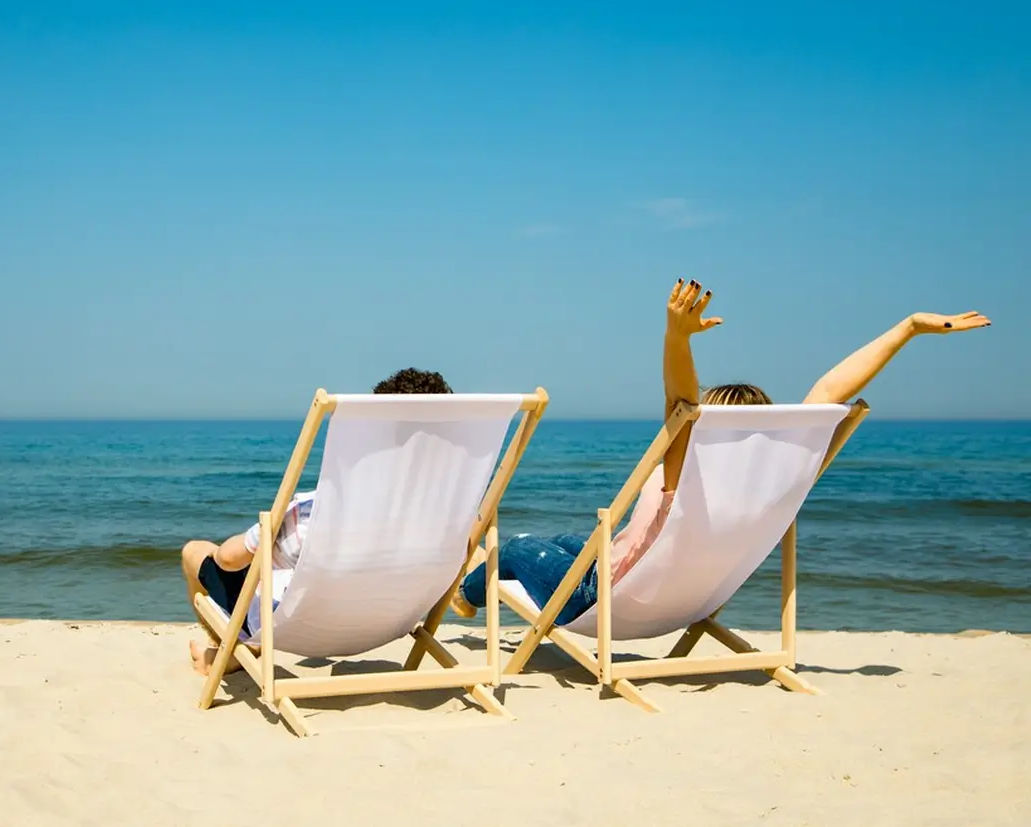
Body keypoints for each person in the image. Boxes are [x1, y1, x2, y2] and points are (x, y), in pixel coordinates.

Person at [452, 278, 991, 624]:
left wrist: (677, 338)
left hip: (601, 599)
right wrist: (908, 329)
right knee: (579, 539)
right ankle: (535, 559)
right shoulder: (780, 479)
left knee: (519, 548)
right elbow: (828, 395)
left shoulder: (689, 473)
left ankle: (466, 594)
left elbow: (679, 402)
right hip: (683, 598)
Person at [183, 367, 454, 674]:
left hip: (303, 630)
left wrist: (254, 541)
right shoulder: (450, 514)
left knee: (196, 551)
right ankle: (237, 651)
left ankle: (233, 650)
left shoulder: (317, 510)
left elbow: (228, 560)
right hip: (389, 623)